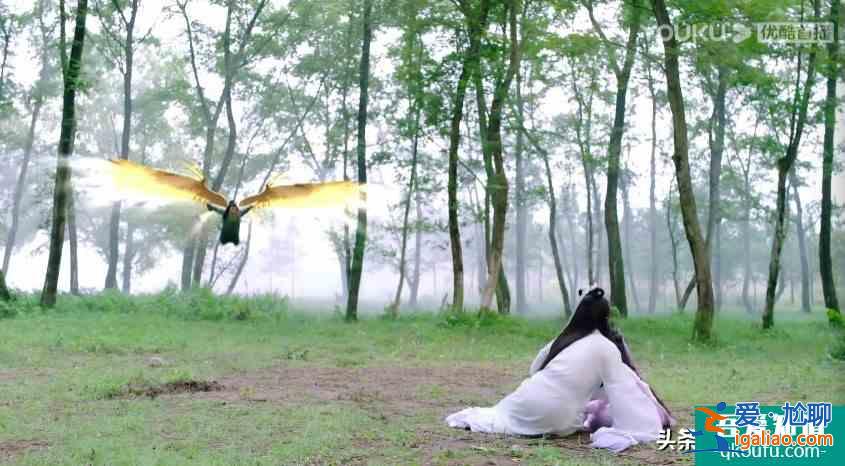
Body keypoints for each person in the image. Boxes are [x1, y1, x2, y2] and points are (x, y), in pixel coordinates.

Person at [445, 287, 674, 452]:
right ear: (607, 318)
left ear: (578, 313)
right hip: (558, 420)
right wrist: (647, 419)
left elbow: (534, 369)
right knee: (594, 407)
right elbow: (623, 392)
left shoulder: (564, 339)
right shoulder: (606, 348)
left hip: (521, 403)